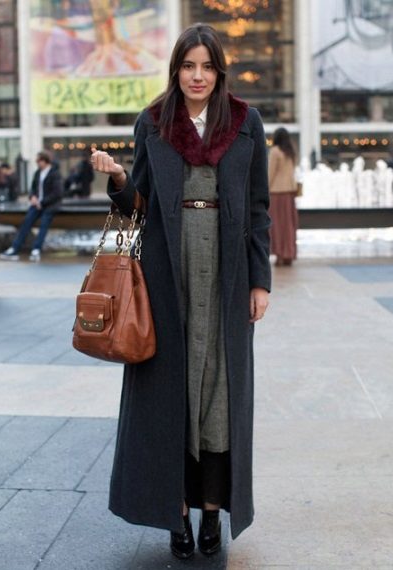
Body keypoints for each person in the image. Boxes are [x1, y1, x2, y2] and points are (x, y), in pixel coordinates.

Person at [91, 23, 271, 559]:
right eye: (188, 66)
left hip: (227, 271)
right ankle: (175, 513)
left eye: (207, 66)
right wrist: (119, 179)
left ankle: (212, 509)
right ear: (176, 70)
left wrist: (259, 280)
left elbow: (258, 208)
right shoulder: (153, 121)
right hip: (166, 273)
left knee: (219, 389)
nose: (197, 76)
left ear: (219, 71)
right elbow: (138, 207)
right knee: (171, 391)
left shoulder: (244, 122)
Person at [0, 151, 63, 262]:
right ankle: (14, 248)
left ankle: (36, 250)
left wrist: (42, 202)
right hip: (36, 204)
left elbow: (58, 193)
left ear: (45, 161)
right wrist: (32, 197)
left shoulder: (55, 174)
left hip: (49, 205)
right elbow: (33, 188)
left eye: (38, 160)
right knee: (26, 223)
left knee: (44, 225)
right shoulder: (38, 173)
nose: (37, 163)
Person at [268, 127, 298, 266]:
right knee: (289, 225)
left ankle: (279, 254)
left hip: (276, 193)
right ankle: (289, 254)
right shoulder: (290, 152)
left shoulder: (275, 151)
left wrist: (264, 190)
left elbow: (270, 173)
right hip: (290, 193)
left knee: (277, 225)